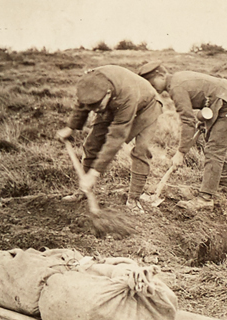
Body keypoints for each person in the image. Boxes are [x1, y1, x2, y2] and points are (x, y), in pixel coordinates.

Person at [137, 61, 227, 212]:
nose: (151, 87)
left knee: (214, 149)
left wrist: (181, 152)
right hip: (221, 100)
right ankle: (225, 179)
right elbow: (205, 96)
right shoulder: (176, 81)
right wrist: (204, 121)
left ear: (161, 75)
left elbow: (187, 121)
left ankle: (205, 199)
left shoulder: (176, 87)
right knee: (211, 142)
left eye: (151, 82)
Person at [57, 65, 162, 213]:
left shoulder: (127, 96)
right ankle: (84, 191)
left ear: (107, 94)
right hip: (114, 103)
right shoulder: (90, 83)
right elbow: (83, 104)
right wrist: (70, 127)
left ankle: (133, 200)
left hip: (146, 105)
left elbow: (116, 138)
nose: (94, 110)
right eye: (91, 106)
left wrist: (95, 172)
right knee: (92, 143)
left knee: (141, 150)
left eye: (96, 106)